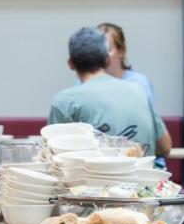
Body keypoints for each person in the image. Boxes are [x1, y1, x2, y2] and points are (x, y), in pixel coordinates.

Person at [48, 27, 171, 158]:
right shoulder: (138, 90)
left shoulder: (64, 101)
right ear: (107, 60)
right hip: (146, 177)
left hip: (95, 178)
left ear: (70, 63)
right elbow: (165, 147)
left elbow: (56, 156)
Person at [97, 22, 156, 109]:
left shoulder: (138, 82)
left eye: (107, 49)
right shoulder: (84, 82)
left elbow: (145, 118)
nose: (101, 55)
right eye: (97, 50)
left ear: (121, 51)